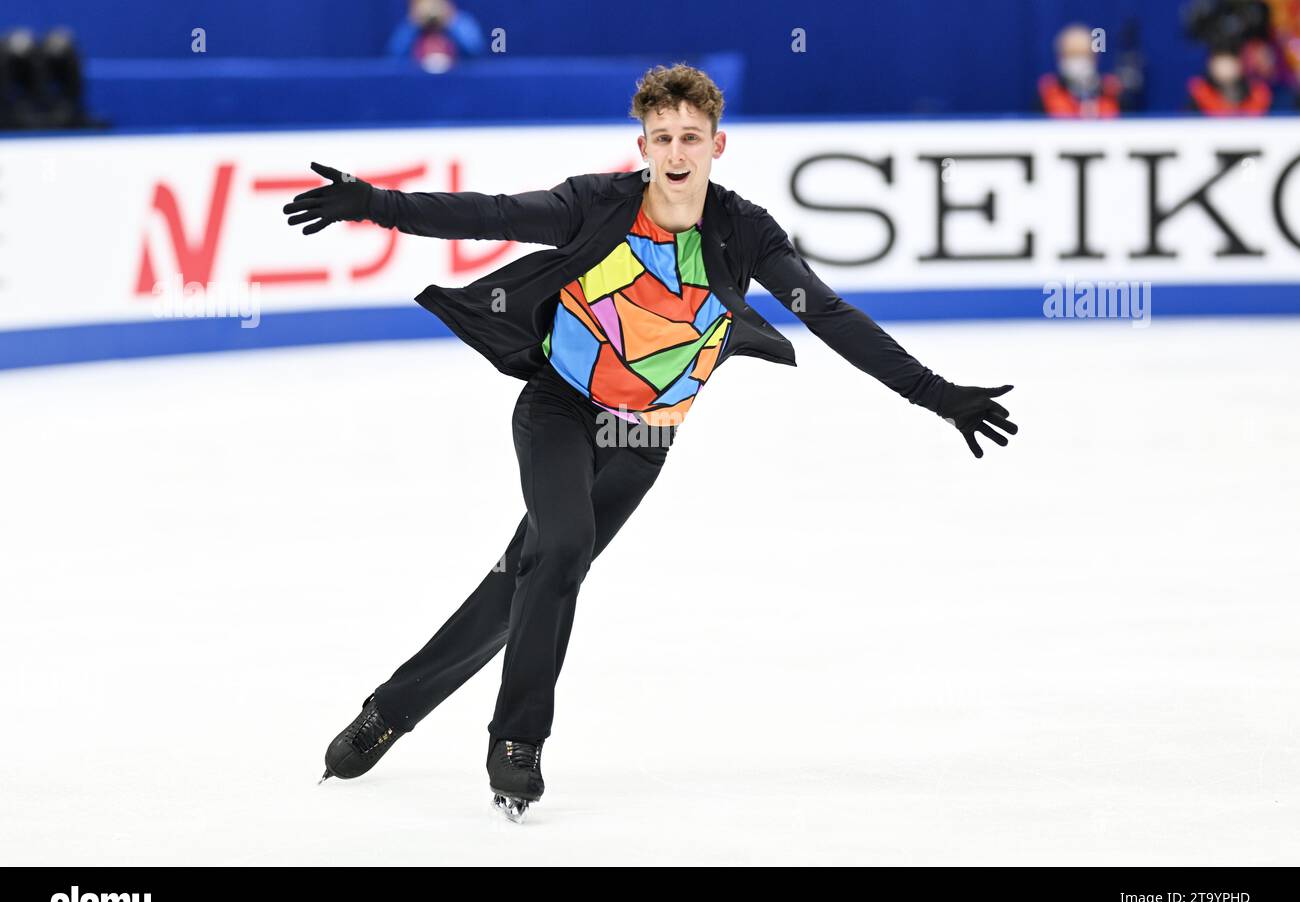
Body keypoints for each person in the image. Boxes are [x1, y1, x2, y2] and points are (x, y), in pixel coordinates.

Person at [282, 63, 1018, 820]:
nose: (676, 151)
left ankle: (390, 711)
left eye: (690, 137)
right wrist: (376, 203)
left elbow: (826, 313)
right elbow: (491, 213)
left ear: (717, 143)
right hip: (560, 408)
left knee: (527, 578)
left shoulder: (744, 232)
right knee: (561, 549)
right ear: (642, 143)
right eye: (662, 137)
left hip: (645, 438)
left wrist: (936, 394)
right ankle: (518, 743)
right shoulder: (596, 205)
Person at [1039, 23, 1122, 117]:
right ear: (1060, 57)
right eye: (1072, 54)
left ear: (1095, 57)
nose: (1078, 61)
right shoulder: (1047, 93)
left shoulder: (1112, 91)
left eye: (1084, 54)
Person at [385, 0, 485, 73]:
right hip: (417, 84)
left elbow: (475, 50)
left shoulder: (460, 22)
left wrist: (451, 20)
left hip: (457, 81)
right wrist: (414, 23)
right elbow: (394, 56)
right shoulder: (410, 26)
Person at [1187, 45, 1273, 114]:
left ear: (1240, 64)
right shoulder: (1199, 93)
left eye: (1230, 62)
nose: (1225, 69)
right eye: (1220, 63)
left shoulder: (1258, 94)